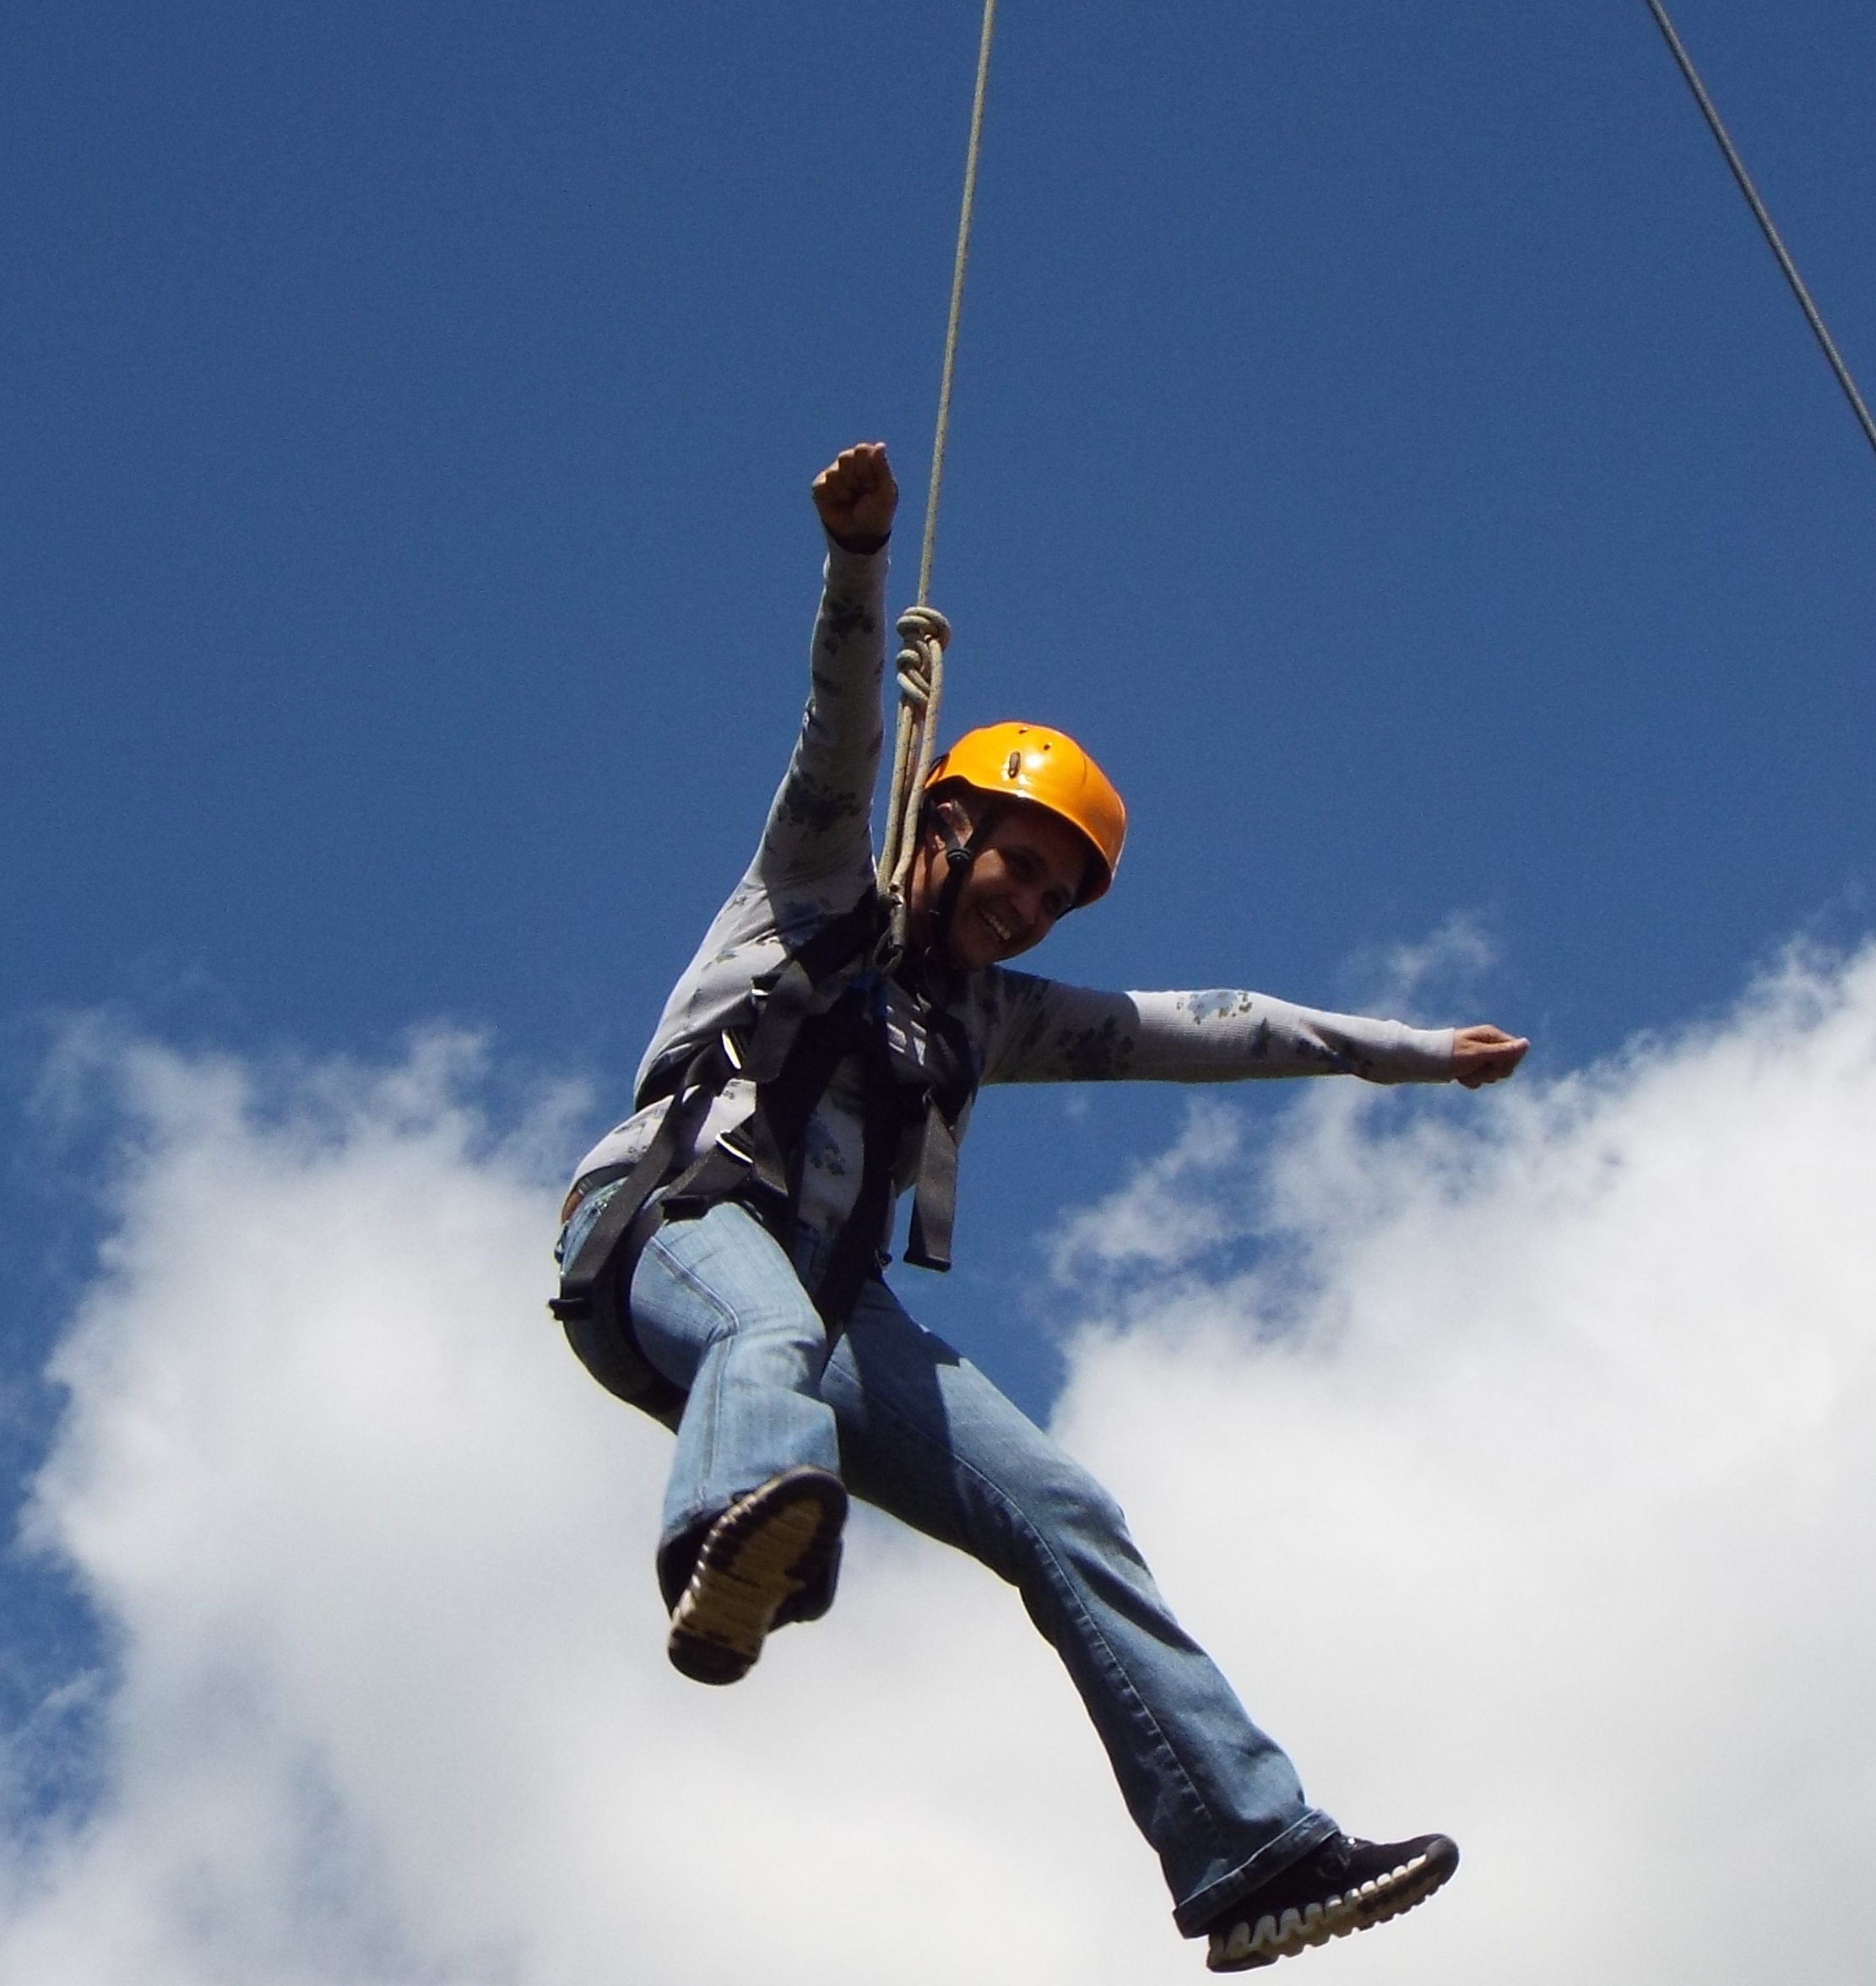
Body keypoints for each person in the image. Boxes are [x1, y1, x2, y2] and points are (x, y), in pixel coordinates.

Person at [552, 442, 1529, 1972]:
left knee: (1063, 1508)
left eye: (1060, 897)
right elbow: (837, 733)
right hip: (667, 1226)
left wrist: (1408, 1054)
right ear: (945, 826)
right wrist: (858, 562)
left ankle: (1249, 1853)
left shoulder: (988, 1018)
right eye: (1020, 864)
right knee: (763, 1335)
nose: (1030, 905)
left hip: (827, 1306)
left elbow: (1208, 1028)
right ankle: (731, 1550)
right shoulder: (809, 893)